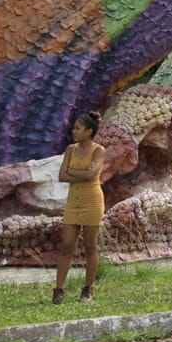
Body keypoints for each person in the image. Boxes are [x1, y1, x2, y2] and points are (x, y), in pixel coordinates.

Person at [54, 112, 107, 304]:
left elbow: (91, 175)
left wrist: (72, 171)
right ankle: (59, 289)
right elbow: (61, 176)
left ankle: (88, 289)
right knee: (67, 245)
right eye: (74, 128)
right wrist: (82, 173)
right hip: (73, 201)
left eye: (78, 128)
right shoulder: (70, 149)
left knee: (90, 246)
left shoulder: (98, 150)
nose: (73, 131)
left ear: (89, 131)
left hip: (92, 201)